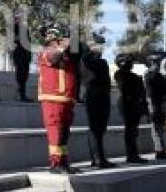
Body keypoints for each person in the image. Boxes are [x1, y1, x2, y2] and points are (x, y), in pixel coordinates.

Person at [37, 24, 80, 174]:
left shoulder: (65, 53)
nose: (63, 41)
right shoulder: (46, 52)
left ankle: (63, 161)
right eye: (60, 38)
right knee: (55, 132)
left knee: (64, 133)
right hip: (53, 99)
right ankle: (55, 164)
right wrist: (62, 47)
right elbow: (53, 58)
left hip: (66, 99)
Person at [80, 36, 114, 169]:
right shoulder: (87, 59)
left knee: (100, 129)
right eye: (99, 45)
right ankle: (97, 158)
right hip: (93, 96)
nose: (102, 48)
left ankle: (100, 157)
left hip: (103, 96)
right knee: (95, 129)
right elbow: (88, 74)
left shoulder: (101, 61)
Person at [114, 53, 149, 164]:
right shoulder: (120, 74)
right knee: (130, 131)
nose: (131, 64)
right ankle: (131, 155)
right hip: (128, 105)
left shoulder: (133, 76)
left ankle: (134, 154)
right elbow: (125, 87)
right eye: (129, 62)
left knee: (133, 131)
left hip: (135, 106)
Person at [144, 54, 166, 160]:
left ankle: (163, 150)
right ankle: (159, 151)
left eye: (158, 62)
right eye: (156, 62)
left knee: (162, 128)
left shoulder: (160, 76)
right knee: (156, 128)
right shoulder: (149, 75)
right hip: (154, 104)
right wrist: (151, 106)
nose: (157, 64)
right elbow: (149, 92)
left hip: (162, 103)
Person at [12, 12, 33, 102]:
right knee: (20, 75)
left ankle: (23, 94)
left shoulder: (25, 28)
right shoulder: (14, 27)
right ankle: (20, 95)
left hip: (26, 54)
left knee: (25, 75)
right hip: (18, 53)